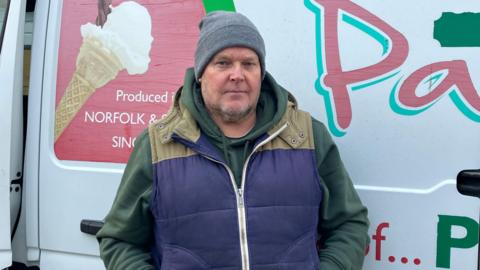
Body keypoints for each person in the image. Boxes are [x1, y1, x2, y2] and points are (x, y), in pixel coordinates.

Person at [97, 11, 369, 270]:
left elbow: (349, 223)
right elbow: (120, 240)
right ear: (201, 72)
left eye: (249, 63)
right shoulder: (159, 144)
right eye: (223, 62)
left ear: (260, 74)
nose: (237, 75)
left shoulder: (307, 136)